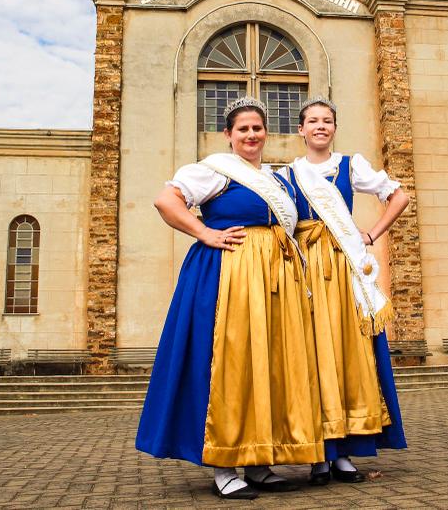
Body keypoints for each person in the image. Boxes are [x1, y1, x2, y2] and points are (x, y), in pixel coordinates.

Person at [135, 97, 323, 500]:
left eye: (257, 128)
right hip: (230, 275)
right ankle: (224, 465)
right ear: (228, 135)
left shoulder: (275, 179)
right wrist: (206, 234)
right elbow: (165, 201)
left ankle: (257, 462)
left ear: (265, 133)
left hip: (272, 281)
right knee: (231, 361)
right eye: (243, 129)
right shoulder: (213, 171)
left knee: (266, 362)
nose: (251, 135)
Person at [288, 96, 409, 485]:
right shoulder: (289, 174)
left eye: (327, 120)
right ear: (301, 129)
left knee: (346, 353)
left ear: (334, 128)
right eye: (313, 121)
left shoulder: (349, 165)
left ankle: (344, 455)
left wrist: (372, 233)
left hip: (344, 270)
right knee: (313, 355)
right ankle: (319, 456)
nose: (320, 126)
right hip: (306, 272)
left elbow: (398, 195)